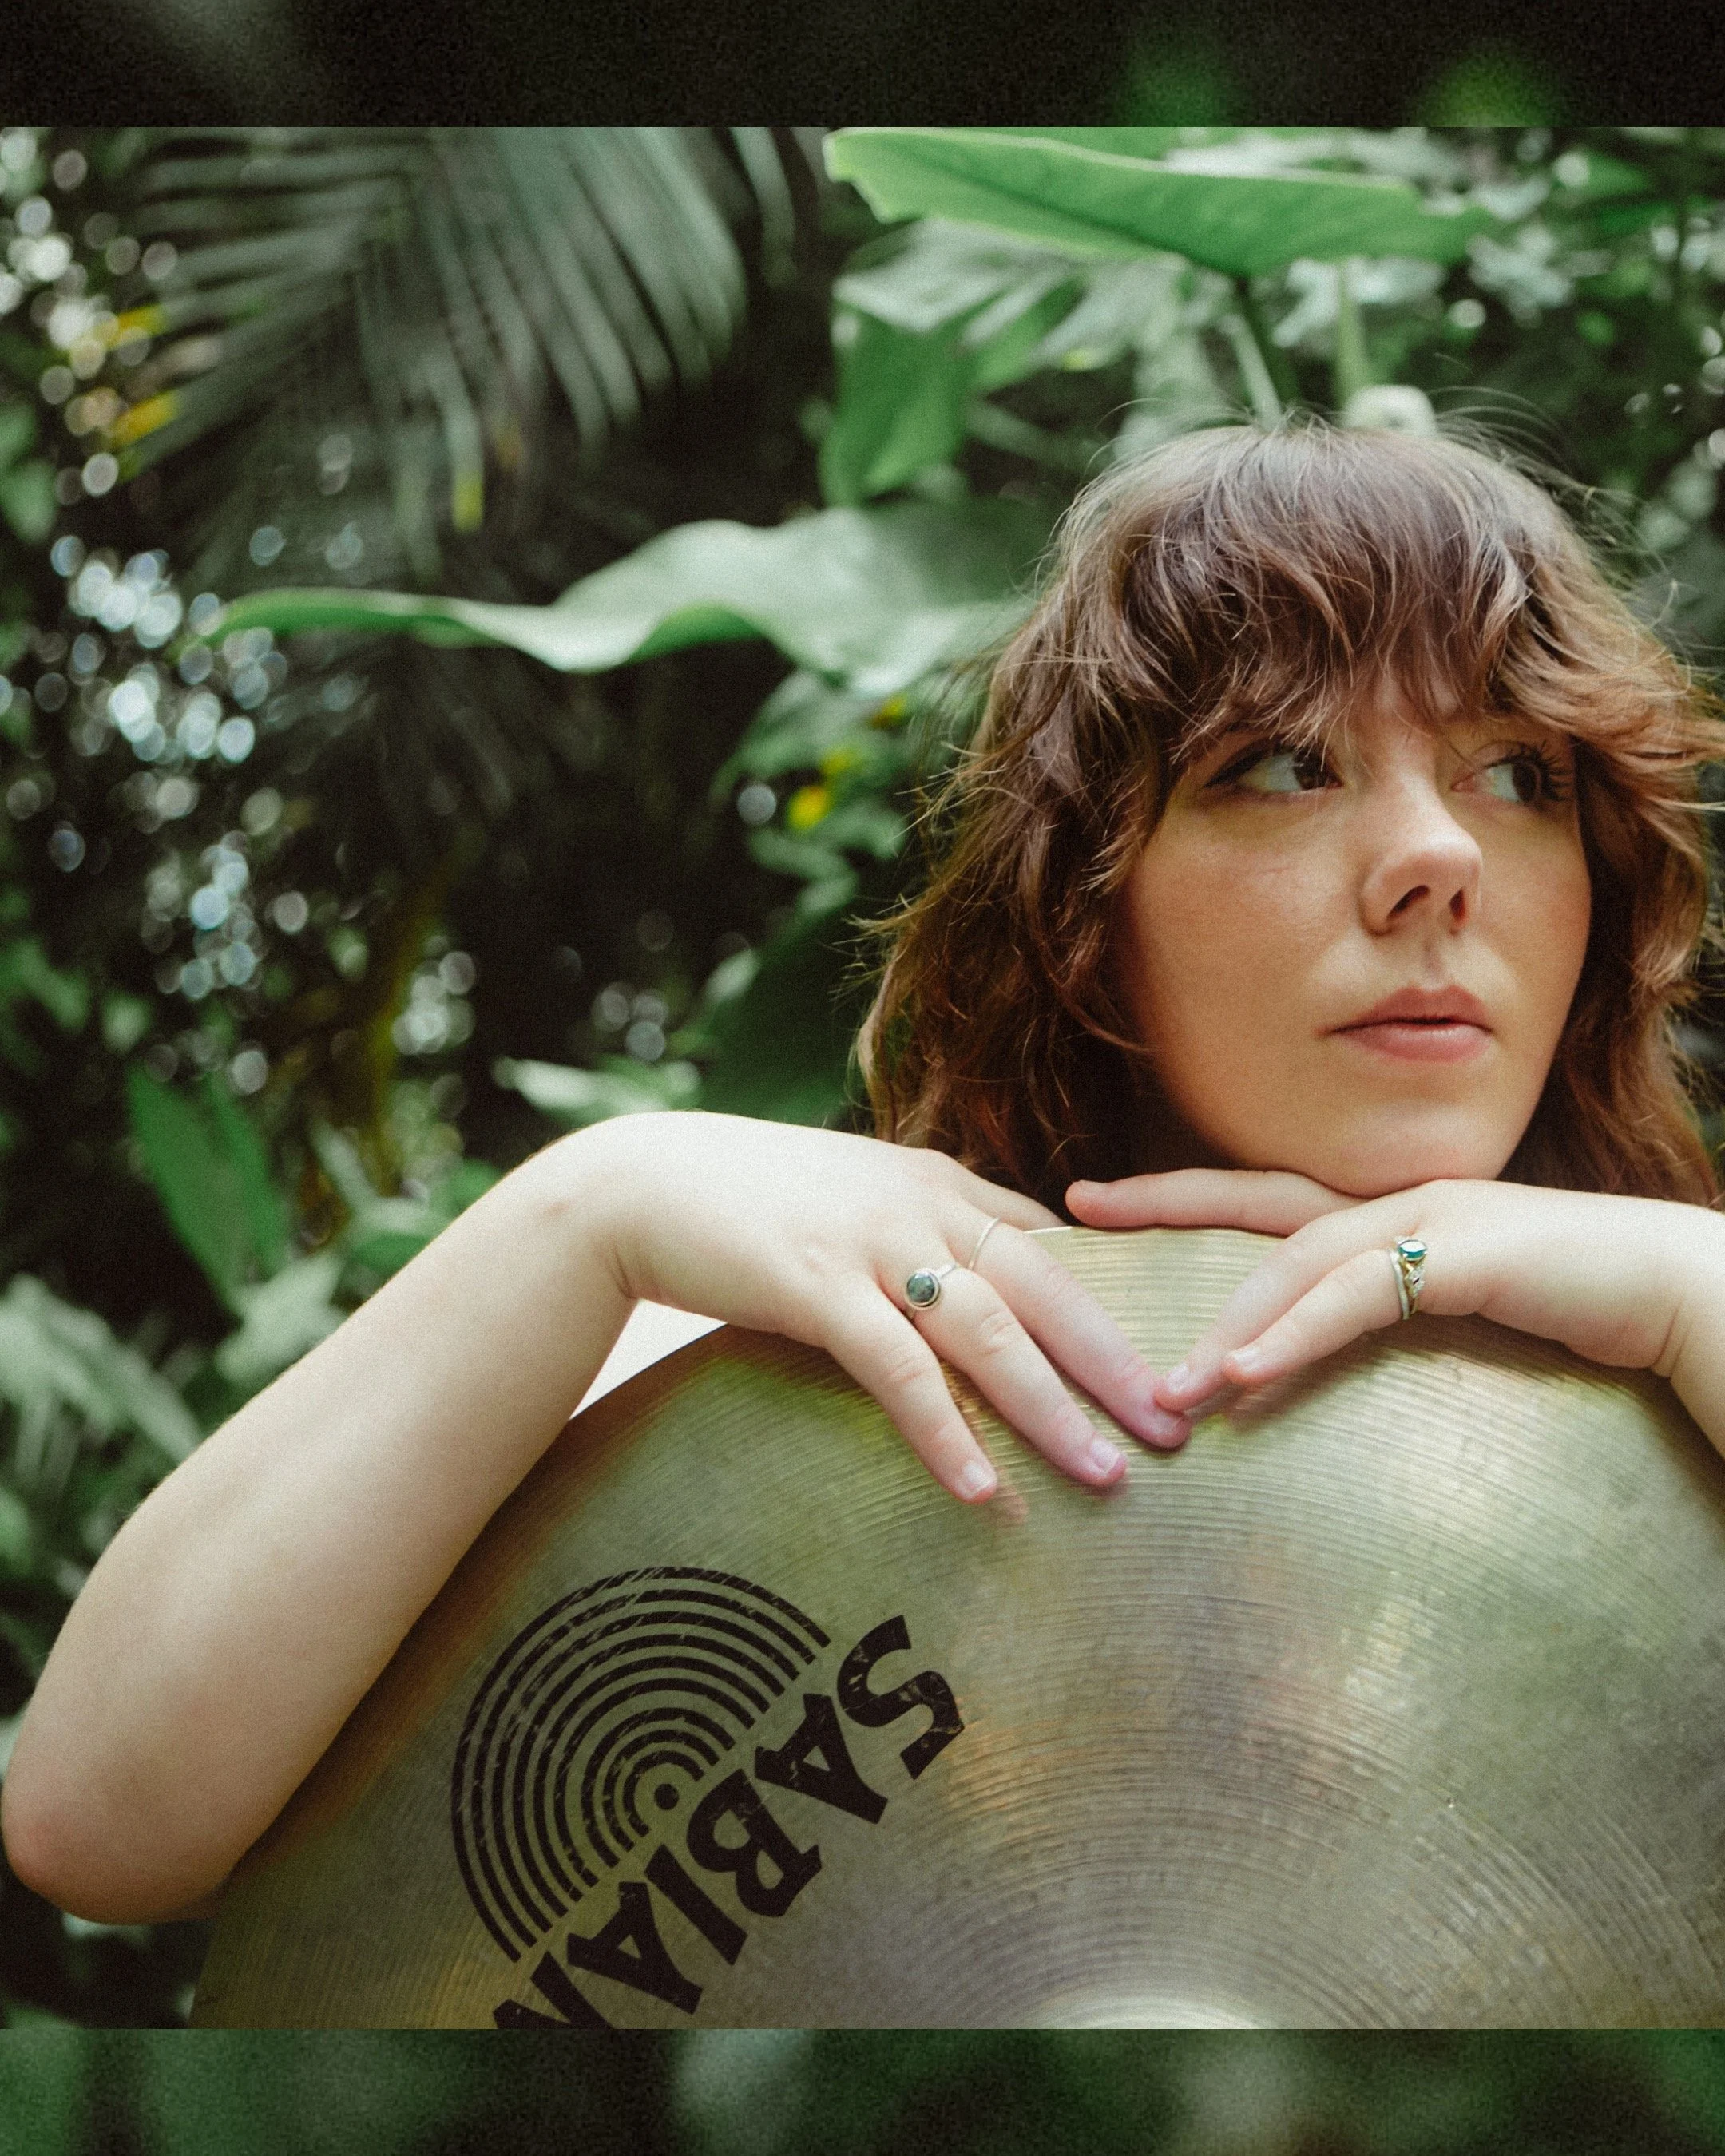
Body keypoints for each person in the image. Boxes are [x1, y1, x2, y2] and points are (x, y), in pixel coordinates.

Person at [6, 418, 1725, 1934]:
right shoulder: (768, 1387)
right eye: (1282, 763)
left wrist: (1681, 1291)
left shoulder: (1688, 1347)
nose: (1438, 859)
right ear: (1084, 908)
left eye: (1521, 773)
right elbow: (100, 1822)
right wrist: (577, 1212)